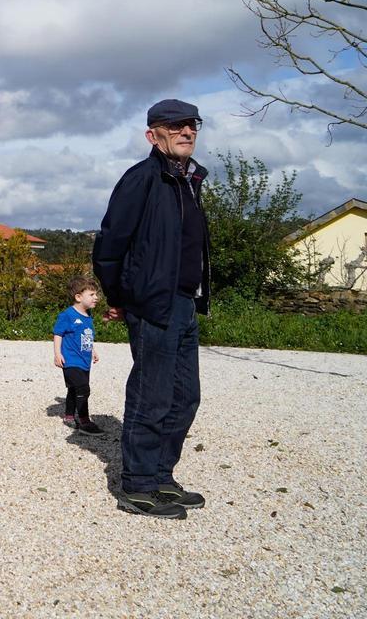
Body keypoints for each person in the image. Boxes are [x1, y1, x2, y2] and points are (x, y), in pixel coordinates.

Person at [93, 98, 211, 519]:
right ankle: (138, 486)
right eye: (176, 125)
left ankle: (162, 476)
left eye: (191, 125)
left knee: (185, 396)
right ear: (153, 135)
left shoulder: (188, 181)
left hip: (184, 303)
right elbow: (109, 246)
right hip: (152, 304)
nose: (187, 132)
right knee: (152, 394)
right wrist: (122, 298)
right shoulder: (141, 179)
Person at [53, 276, 101, 435]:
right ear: (78, 297)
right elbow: (58, 334)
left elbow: (87, 336)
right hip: (71, 360)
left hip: (84, 361)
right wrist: (57, 353)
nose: (96, 298)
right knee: (83, 388)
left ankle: (68, 416)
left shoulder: (89, 316)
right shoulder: (67, 315)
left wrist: (92, 350)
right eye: (92, 294)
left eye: (96, 294)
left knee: (74, 389)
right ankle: (84, 420)